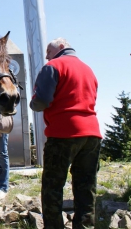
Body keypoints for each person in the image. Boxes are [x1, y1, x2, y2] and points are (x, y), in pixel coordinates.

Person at [30, 38, 102, 229]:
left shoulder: (53, 66)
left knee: (52, 187)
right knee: (86, 187)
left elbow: (41, 101)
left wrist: (32, 102)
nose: (46, 55)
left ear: (61, 47)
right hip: (92, 134)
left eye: (48, 50)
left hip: (64, 133)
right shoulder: (89, 69)